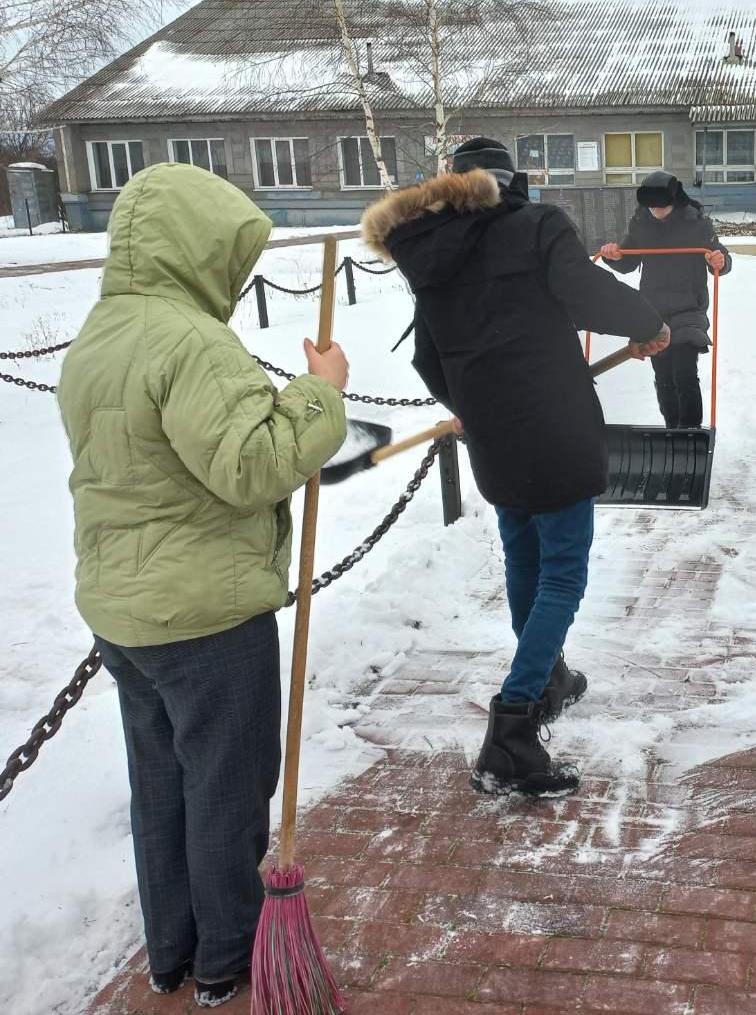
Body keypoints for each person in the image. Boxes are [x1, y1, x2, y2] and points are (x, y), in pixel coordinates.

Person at [57, 163, 349, 1007]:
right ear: (197, 248)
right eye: (230, 252)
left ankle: (170, 950)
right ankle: (225, 959)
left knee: (163, 789)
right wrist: (318, 394)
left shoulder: (102, 332)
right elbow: (252, 466)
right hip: (204, 617)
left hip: (126, 613)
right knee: (225, 789)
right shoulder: (189, 341)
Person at [360, 137, 668, 798]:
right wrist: (648, 321)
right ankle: (514, 726)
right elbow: (587, 294)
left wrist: (469, 402)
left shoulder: (427, 250)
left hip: (493, 433)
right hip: (556, 424)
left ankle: (550, 674)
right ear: (512, 182)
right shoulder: (537, 225)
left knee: (523, 555)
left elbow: (426, 357)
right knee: (562, 571)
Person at [599, 170, 731, 429]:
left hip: (689, 309)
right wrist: (612, 256)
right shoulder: (640, 222)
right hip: (652, 311)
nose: (656, 212)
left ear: (675, 200)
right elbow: (628, 262)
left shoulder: (696, 222)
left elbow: (720, 256)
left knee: (683, 373)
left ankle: (690, 433)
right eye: (651, 207)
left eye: (662, 207)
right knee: (663, 376)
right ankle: (672, 431)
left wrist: (720, 261)